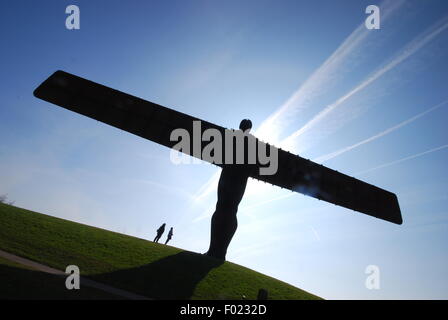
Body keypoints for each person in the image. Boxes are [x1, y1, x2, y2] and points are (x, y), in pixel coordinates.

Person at [205, 119, 257, 260]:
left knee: (226, 208)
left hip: (233, 177)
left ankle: (219, 251)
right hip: (235, 177)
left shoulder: (237, 138)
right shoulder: (248, 141)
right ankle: (216, 250)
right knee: (226, 208)